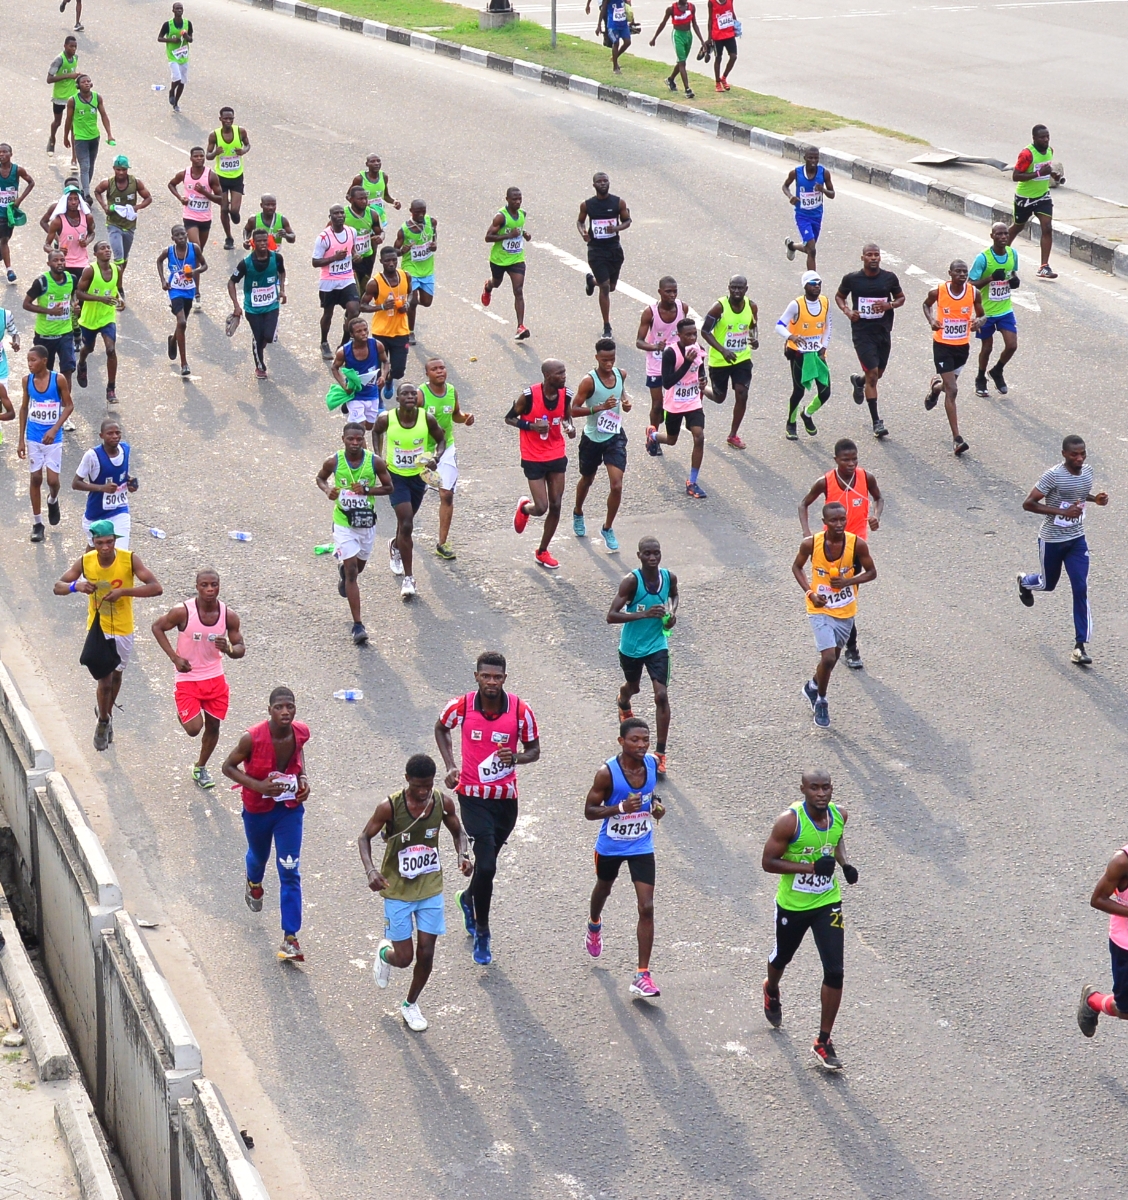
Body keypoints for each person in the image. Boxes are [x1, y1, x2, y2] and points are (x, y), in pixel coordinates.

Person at [434, 651, 540, 966]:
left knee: (486, 862)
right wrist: (451, 765)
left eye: (497, 677)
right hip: (472, 797)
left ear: (504, 678)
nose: (491, 682)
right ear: (477, 676)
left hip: (506, 801)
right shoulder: (462, 706)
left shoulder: (521, 711)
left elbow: (534, 749)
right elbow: (441, 728)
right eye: (486, 676)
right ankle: (483, 930)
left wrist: (516, 758)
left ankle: (468, 898)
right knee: (489, 867)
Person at [358, 753, 472, 1033]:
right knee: (405, 958)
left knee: (427, 952)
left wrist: (463, 854)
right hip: (396, 888)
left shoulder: (442, 802)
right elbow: (364, 837)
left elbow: (459, 832)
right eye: (418, 786)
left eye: (428, 786)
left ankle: (410, 1004)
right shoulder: (389, 806)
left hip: (430, 885)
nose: (423, 792)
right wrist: (371, 871)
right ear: (407, 779)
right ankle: (386, 954)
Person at [761, 769, 858, 1070]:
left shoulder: (839, 814)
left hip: (827, 901)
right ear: (802, 789)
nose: (820, 793)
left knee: (835, 970)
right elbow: (768, 862)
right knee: (782, 958)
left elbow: (836, 839)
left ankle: (823, 1041)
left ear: (832, 789)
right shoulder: (789, 821)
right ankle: (771, 989)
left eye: (825, 788)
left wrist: (845, 863)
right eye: (814, 788)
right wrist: (811, 868)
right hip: (793, 904)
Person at [53, 522, 163, 751]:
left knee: (116, 677)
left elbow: (155, 587)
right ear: (93, 542)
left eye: (109, 542)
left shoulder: (129, 559)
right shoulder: (86, 561)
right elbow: (58, 586)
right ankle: (103, 721)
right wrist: (77, 586)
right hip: (98, 628)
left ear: (115, 540)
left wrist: (124, 591)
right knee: (104, 679)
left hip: (123, 628)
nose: (105, 547)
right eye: (100, 542)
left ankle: (107, 712)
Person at [221, 687, 311, 964]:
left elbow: (299, 754)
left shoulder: (300, 732)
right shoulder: (252, 738)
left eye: (290, 707)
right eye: (279, 707)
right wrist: (258, 785)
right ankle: (254, 882)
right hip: (258, 810)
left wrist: (303, 778)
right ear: (269, 710)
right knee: (259, 857)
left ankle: (291, 938)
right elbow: (228, 767)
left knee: (289, 870)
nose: (285, 712)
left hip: (288, 811)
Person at [584, 717, 666, 997]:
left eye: (645, 739)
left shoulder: (652, 764)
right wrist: (618, 807)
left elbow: (650, 794)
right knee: (603, 889)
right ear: (622, 742)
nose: (642, 745)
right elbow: (589, 811)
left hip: (641, 844)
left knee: (647, 906)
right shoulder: (607, 773)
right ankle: (594, 922)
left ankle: (642, 974)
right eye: (635, 740)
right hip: (611, 845)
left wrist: (656, 807)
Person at [1017, 435, 1108, 666]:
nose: (1079, 458)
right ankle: (1025, 582)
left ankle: (1080, 646)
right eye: (1074, 454)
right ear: (1064, 454)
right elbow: (1028, 503)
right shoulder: (1053, 475)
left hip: (1077, 539)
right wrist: (1062, 512)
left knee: (1080, 587)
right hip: (1052, 540)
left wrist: (1095, 499)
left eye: (1083, 453)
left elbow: (1076, 495)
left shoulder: (1088, 472)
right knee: (1048, 584)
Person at [151, 569, 245, 789]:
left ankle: (200, 767)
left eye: (214, 585)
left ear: (219, 586)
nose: (210, 589)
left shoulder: (228, 615)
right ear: (197, 586)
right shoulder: (183, 612)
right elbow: (157, 627)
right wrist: (175, 658)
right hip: (188, 677)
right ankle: (184, 712)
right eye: (204, 585)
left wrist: (229, 650)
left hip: (215, 678)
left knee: (213, 727)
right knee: (194, 729)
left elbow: (240, 647)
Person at [798, 439, 882, 670]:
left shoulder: (867, 478)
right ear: (836, 460)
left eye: (855, 459)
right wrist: (807, 533)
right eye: (846, 460)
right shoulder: (825, 481)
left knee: (847, 596)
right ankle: (838, 641)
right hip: (829, 547)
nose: (851, 463)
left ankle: (849, 647)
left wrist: (876, 515)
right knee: (835, 595)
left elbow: (879, 497)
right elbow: (803, 504)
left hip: (854, 548)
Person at [792, 501, 877, 727]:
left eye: (842, 520)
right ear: (824, 523)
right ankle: (821, 701)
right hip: (819, 608)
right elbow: (797, 567)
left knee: (831, 660)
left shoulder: (856, 544)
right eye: (833, 520)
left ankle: (812, 687)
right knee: (828, 658)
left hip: (845, 610)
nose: (839, 524)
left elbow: (872, 572)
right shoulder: (811, 544)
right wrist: (810, 593)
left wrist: (848, 581)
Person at [316, 422, 393, 645]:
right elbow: (320, 478)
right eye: (351, 439)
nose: (355, 443)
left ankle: (344, 571)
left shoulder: (374, 462)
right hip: (343, 522)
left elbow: (389, 488)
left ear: (363, 439)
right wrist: (328, 489)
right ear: (343, 439)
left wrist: (367, 490)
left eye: (359, 439)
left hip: (366, 523)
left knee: (357, 569)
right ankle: (358, 625)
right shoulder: (334, 461)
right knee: (352, 572)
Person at [608, 537, 677, 776]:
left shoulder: (668, 577)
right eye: (647, 554)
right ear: (639, 556)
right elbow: (611, 615)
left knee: (661, 695)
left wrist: (671, 614)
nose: (652, 558)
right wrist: (645, 614)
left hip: (658, 644)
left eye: (656, 553)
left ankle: (660, 754)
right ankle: (623, 700)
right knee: (633, 687)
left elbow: (674, 596)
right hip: (632, 647)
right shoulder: (631, 582)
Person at [374, 383, 445, 601]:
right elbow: (376, 432)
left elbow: (440, 439)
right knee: (406, 523)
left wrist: (436, 457)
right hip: (396, 477)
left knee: (407, 520)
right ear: (397, 398)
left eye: (413, 393)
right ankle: (409, 578)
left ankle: (395, 545)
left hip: (419, 476)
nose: (410, 396)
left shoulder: (426, 418)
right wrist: (379, 458)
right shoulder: (387, 418)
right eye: (405, 393)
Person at [508, 359, 576, 570]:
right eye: (559, 373)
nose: (564, 376)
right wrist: (530, 426)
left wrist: (570, 427)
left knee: (556, 505)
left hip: (556, 452)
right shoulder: (528, 396)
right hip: (533, 455)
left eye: (564, 372)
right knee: (542, 507)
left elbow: (566, 418)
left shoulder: (566, 395)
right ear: (548, 377)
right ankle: (525, 509)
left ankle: (542, 551)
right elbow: (509, 418)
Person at [835, 244, 904, 440]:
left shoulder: (889, 278)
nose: (873, 258)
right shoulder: (852, 279)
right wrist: (848, 312)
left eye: (876, 255)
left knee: (877, 374)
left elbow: (901, 298)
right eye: (869, 255)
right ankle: (877, 422)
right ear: (862, 257)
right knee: (873, 374)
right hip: (862, 333)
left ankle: (859, 382)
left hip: (882, 332)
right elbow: (840, 297)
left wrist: (888, 305)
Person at [571, 337, 629, 550]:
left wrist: (626, 401)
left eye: (612, 359)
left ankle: (607, 527)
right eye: (604, 360)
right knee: (587, 479)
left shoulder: (620, 374)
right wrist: (599, 408)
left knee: (617, 484)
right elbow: (573, 410)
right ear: (597, 357)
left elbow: (621, 391)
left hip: (614, 436)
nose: (609, 364)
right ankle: (578, 512)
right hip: (592, 438)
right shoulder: (589, 381)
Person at [645, 316, 712, 499]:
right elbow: (667, 383)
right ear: (679, 335)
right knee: (672, 440)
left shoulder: (698, 350)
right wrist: (687, 363)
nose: (692, 338)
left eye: (694, 334)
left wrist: (703, 379)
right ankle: (653, 436)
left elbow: (700, 369)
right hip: (674, 403)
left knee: (699, 437)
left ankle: (692, 482)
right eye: (688, 335)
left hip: (692, 401)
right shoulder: (670, 353)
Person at [923, 260, 983, 455]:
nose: (962, 275)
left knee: (948, 387)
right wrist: (932, 320)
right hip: (942, 346)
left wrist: (979, 322)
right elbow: (926, 305)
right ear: (950, 273)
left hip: (962, 347)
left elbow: (983, 315)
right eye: (958, 271)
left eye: (965, 272)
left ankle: (935, 388)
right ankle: (957, 439)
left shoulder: (974, 293)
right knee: (953, 390)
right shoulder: (939, 291)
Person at [18, 345, 74, 542]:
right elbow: (24, 408)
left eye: (33, 360)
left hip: (53, 438)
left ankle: (53, 499)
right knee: (35, 478)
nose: (30, 364)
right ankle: (37, 523)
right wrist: (21, 440)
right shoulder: (27, 381)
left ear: (44, 360)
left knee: (52, 481)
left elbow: (69, 405)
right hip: (34, 436)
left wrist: (54, 429)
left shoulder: (57, 379)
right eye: (28, 361)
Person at [420, 356, 473, 561]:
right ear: (427, 374)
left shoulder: (452, 391)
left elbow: (456, 415)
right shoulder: (420, 395)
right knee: (414, 498)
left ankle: (442, 543)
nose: (440, 371)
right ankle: (401, 537)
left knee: (447, 495)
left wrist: (466, 418)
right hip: (422, 452)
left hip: (446, 449)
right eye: (434, 369)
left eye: (442, 367)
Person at [1077, 844, 1128, 1038]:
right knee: (1125, 1010)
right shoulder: (1122, 862)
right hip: (1125, 945)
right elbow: (1098, 899)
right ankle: (1093, 1001)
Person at [701, 274, 757, 449]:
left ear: (746, 289)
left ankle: (733, 435)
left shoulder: (752, 306)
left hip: (742, 358)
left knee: (742, 393)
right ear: (729, 288)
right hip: (720, 360)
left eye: (740, 288)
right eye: (733, 287)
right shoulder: (719, 308)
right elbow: (705, 331)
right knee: (719, 397)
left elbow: (753, 326)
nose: (736, 291)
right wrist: (723, 350)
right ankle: (701, 388)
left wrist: (754, 339)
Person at [776, 270, 831, 440]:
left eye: (819, 283)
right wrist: (790, 337)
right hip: (799, 354)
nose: (817, 287)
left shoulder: (825, 302)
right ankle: (791, 423)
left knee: (825, 391)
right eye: (813, 284)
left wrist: (824, 346)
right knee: (798, 391)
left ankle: (807, 414)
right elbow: (779, 325)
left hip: (817, 353)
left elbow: (828, 326)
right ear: (805, 286)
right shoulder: (796, 305)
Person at [968, 222, 1020, 399]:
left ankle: (997, 370)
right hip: (986, 311)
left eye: (1006, 233)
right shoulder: (983, 258)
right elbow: (969, 284)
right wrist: (990, 278)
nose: (1003, 237)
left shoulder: (1013, 254)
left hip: (1005, 309)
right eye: (999, 234)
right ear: (992, 236)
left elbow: (1012, 274)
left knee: (1012, 345)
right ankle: (981, 377)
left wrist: (1014, 282)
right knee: (987, 347)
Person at [577, 173, 631, 339]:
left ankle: (591, 281)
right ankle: (607, 326)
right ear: (593, 185)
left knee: (611, 286)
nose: (602, 184)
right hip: (596, 250)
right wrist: (583, 233)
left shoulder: (618, 202)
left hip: (614, 249)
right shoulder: (587, 205)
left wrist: (616, 229)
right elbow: (580, 221)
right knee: (606, 286)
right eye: (599, 182)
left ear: (609, 183)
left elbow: (627, 221)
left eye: (605, 181)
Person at [228, 227, 286, 379]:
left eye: (264, 240)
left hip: (272, 304)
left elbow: (282, 272)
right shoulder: (245, 263)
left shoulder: (277, 258)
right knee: (259, 338)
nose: (262, 243)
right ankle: (260, 367)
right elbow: (231, 282)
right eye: (259, 241)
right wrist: (236, 306)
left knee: (268, 337)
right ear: (253, 243)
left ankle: (262, 336)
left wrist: (282, 290)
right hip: (252, 308)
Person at [1006, 124, 1062, 280]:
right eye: (1042, 137)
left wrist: (1053, 175)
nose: (1046, 140)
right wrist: (1038, 173)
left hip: (1043, 196)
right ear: (1034, 138)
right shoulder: (1027, 154)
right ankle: (999, 255)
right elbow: (1016, 176)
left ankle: (1044, 267)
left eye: (1047, 136)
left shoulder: (1050, 151)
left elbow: (1046, 169)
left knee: (1047, 227)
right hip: (1025, 198)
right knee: (1018, 227)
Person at [635, 276, 687, 443]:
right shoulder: (650, 312)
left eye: (675, 291)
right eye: (668, 292)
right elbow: (639, 341)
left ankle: (661, 420)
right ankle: (653, 437)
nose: (672, 295)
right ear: (660, 292)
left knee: (673, 403)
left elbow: (689, 333)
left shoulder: (682, 308)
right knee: (657, 404)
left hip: (675, 362)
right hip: (656, 363)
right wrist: (656, 347)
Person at [72, 416, 137, 546]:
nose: (115, 436)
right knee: (96, 552)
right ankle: (83, 567)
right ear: (101, 435)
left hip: (119, 510)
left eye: (117, 433)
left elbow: (121, 474)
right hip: (96, 514)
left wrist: (130, 482)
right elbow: (76, 483)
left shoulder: (125, 449)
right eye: (110, 433)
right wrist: (102, 488)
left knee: (120, 553)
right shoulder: (92, 456)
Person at [361, 244, 411, 410]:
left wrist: (407, 304)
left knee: (398, 371)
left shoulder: (405, 276)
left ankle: (390, 379)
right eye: (387, 260)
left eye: (394, 260)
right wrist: (382, 306)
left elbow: (410, 293)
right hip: (380, 332)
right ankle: (379, 400)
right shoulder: (374, 283)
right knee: (377, 370)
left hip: (401, 331)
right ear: (381, 261)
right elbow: (362, 305)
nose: (391, 263)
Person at [168, 147, 221, 298]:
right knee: (195, 246)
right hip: (190, 217)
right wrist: (180, 198)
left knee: (197, 255)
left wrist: (204, 192)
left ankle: (190, 282)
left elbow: (221, 199)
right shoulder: (184, 174)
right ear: (190, 158)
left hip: (205, 218)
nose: (199, 158)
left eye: (201, 156)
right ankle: (196, 292)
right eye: (196, 156)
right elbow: (171, 184)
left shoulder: (211, 176)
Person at [94, 156, 151, 296]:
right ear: (114, 169)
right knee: (118, 258)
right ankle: (117, 289)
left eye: (124, 170)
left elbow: (148, 198)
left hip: (129, 225)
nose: (121, 173)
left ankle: (118, 280)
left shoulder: (135, 183)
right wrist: (104, 206)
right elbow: (97, 191)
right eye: (118, 169)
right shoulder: (108, 183)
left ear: (127, 170)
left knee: (124, 258)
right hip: (114, 224)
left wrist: (137, 207)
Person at [75, 240, 123, 402]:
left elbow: (118, 290)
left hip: (107, 317)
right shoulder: (90, 271)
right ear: (95, 254)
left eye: (108, 247)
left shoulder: (117, 270)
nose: (107, 250)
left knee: (111, 350)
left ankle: (111, 389)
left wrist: (121, 300)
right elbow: (79, 293)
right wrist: (100, 299)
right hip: (89, 318)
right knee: (88, 348)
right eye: (102, 248)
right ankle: (81, 363)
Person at [44, 188, 93, 343]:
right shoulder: (58, 220)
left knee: (82, 298)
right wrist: (57, 250)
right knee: (68, 299)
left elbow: (92, 233)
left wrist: (87, 241)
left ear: (79, 201)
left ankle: (78, 327)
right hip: (64, 265)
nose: (73, 202)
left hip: (82, 263)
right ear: (65, 201)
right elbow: (46, 245)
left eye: (75, 199)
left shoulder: (87, 217)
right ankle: (72, 330)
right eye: (70, 199)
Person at [312, 204, 361, 359]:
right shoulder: (323, 238)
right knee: (328, 313)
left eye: (341, 213)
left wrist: (355, 255)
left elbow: (352, 249)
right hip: (329, 281)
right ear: (330, 217)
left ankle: (344, 343)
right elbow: (315, 262)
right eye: (336, 213)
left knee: (354, 310)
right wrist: (334, 258)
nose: (339, 215)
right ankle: (324, 342)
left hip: (347, 278)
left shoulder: (351, 232)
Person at [481, 187, 530, 339]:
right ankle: (488, 287)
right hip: (499, 259)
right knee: (496, 282)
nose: (518, 202)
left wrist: (524, 234)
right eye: (514, 199)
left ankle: (520, 326)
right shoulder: (500, 217)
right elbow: (488, 237)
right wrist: (509, 235)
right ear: (507, 199)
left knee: (518, 290)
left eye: (520, 198)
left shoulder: (522, 214)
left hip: (516, 258)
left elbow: (518, 230)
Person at [157, 224, 206, 378]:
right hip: (175, 289)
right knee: (182, 322)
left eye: (183, 234)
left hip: (189, 290)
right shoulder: (169, 251)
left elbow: (205, 265)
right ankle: (184, 363)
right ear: (173, 238)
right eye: (177, 236)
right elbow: (159, 261)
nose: (181, 238)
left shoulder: (194, 248)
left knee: (181, 324)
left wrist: (195, 271)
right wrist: (163, 280)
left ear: (186, 235)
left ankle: (173, 339)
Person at [330, 317, 388, 440]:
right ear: (351, 334)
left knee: (368, 426)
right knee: (359, 429)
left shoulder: (377, 345)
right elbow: (334, 368)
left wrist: (383, 376)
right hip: (355, 394)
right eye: (359, 331)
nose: (363, 333)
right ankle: (365, 456)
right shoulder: (344, 351)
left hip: (372, 393)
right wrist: (344, 386)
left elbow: (385, 362)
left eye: (365, 330)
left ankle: (349, 409)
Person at [24, 250, 76, 385]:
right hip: (45, 335)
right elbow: (26, 304)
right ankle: (45, 402)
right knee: (44, 372)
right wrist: (49, 311)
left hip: (65, 332)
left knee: (67, 370)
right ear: (49, 263)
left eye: (62, 260)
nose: (60, 263)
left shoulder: (72, 279)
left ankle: (66, 403)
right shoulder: (41, 282)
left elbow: (74, 297)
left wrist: (75, 306)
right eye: (56, 260)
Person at [206, 107, 250, 251]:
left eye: (231, 118)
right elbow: (208, 155)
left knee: (234, 210)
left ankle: (235, 214)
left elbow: (248, 144)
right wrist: (215, 153)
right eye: (225, 118)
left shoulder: (240, 131)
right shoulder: (215, 135)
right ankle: (229, 238)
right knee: (224, 209)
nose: (228, 121)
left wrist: (243, 151)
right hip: (221, 177)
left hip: (237, 175)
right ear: (220, 119)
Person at [394, 199, 437, 346]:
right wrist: (402, 250)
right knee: (412, 301)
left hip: (427, 269)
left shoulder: (431, 222)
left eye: (423, 211)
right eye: (417, 212)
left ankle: (405, 304)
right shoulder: (404, 230)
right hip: (410, 268)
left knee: (426, 302)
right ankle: (410, 331)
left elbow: (434, 236)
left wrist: (434, 245)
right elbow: (394, 252)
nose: (421, 214)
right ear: (411, 211)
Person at [783, 147, 834, 270]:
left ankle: (792, 246)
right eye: (810, 157)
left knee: (809, 249)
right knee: (812, 249)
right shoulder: (796, 173)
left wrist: (823, 190)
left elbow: (832, 194)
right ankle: (812, 281)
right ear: (805, 158)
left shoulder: (824, 173)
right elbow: (785, 186)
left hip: (817, 216)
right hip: (802, 216)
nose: (813, 160)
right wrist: (790, 196)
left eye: (816, 158)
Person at [64, 76, 112, 202]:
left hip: (94, 137)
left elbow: (104, 116)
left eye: (88, 81)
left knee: (90, 166)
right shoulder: (73, 101)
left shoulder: (97, 98)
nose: (86, 83)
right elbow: (68, 120)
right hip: (80, 138)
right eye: (83, 82)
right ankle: (86, 194)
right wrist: (65, 137)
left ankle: (83, 189)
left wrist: (109, 134)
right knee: (84, 166)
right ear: (78, 86)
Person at [650, 0, 703, 98]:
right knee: (682, 62)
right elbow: (663, 23)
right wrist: (654, 38)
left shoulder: (692, 7)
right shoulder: (671, 9)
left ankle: (670, 79)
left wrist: (702, 41)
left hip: (688, 35)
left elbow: (694, 24)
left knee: (681, 62)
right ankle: (687, 90)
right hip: (678, 35)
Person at [0, 146, 36, 284]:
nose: (1, 155)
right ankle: (10, 270)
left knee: (6, 238)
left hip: (10, 211)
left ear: (11, 154)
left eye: (4, 152)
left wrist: (19, 200)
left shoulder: (17, 170)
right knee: (3, 239)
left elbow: (31, 182)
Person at [343, 184, 382, 294]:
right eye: (360, 199)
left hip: (367, 259)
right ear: (351, 200)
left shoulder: (372, 214)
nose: (364, 201)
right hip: (349, 261)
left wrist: (380, 237)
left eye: (365, 198)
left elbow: (380, 232)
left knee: (361, 293)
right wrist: (351, 252)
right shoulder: (342, 215)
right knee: (354, 294)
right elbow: (331, 237)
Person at [47, 37, 81, 155]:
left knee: (72, 124)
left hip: (72, 95)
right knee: (57, 122)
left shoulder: (75, 58)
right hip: (60, 95)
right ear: (65, 46)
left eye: (75, 47)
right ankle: (52, 139)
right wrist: (68, 76)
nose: (74, 49)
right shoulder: (59, 60)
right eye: (71, 46)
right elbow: (49, 79)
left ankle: (74, 156)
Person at [157, 4, 193, 111]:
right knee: (177, 77)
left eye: (181, 9)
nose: (179, 10)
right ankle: (172, 91)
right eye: (177, 9)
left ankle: (176, 103)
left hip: (183, 56)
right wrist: (171, 40)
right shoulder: (168, 25)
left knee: (182, 82)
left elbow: (191, 39)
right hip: (173, 55)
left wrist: (186, 37)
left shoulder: (187, 23)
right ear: (173, 10)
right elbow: (159, 38)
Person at [351, 154, 400, 232]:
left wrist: (394, 201)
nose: (376, 163)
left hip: (378, 216)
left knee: (377, 238)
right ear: (367, 164)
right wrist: (360, 204)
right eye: (372, 161)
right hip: (363, 216)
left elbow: (385, 196)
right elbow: (348, 196)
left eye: (378, 161)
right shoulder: (359, 179)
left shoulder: (383, 176)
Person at [592, 0, 632, 73]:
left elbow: (628, 6)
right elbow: (603, 10)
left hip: (623, 23)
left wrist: (632, 20)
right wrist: (599, 25)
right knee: (616, 42)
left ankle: (614, 57)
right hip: (613, 24)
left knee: (627, 42)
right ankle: (615, 67)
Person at [707, 0, 739, 90]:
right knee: (718, 58)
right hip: (717, 35)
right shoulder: (712, 2)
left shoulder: (730, 1)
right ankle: (717, 82)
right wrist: (709, 37)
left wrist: (736, 27)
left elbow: (732, 13)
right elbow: (710, 19)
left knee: (733, 56)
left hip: (729, 34)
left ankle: (724, 78)